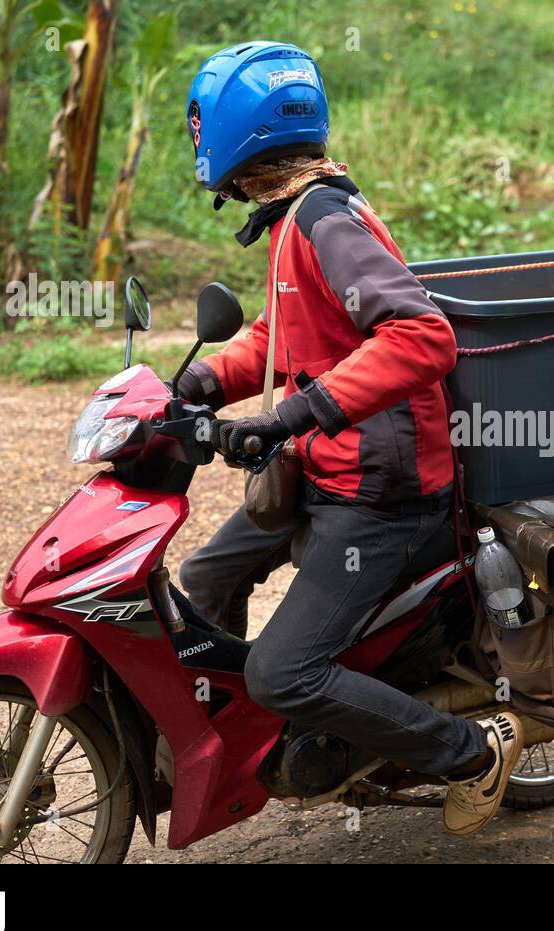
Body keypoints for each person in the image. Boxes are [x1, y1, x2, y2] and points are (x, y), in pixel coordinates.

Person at [175, 41, 520, 836]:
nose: (197, 142)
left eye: (200, 127)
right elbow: (282, 332)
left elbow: (420, 337)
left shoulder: (326, 220)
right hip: (324, 470)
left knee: (282, 670)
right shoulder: (294, 212)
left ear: (234, 132)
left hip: (381, 493)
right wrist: (200, 382)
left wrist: (294, 415)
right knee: (207, 576)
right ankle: (235, 746)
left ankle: (471, 751)